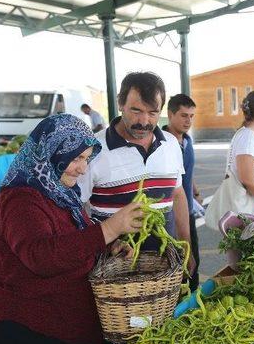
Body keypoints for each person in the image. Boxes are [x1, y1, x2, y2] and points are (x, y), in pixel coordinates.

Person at [0, 114, 144, 344]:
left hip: (63, 330)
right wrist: (108, 230)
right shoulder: (21, 198)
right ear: (52, 151)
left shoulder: (58, 192)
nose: (83, 168)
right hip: (26, 334)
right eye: (76, 158)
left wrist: (108, 247)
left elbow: (72, 243)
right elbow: (40, 256)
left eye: (86, 158)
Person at [78, 72, 195, 275]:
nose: (144, 121)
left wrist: (186, 246)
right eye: (136, 110)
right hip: (113, 271)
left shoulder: (170, 145)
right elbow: (76, 209)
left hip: (165, 267)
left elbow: (177, 195)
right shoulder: (93, 150)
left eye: (152, 112)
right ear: (120, 104)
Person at [163, 94, 201, 291]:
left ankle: (193, 302)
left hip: (190, 211)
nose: (189, 121)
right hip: (171, 215)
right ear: (170, 114)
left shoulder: (187, 141)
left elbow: (184, 171)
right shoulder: (161, 144)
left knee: (194, 262)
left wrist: (193, 188)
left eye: (192, 116)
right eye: (184, 115)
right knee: (180, 263)